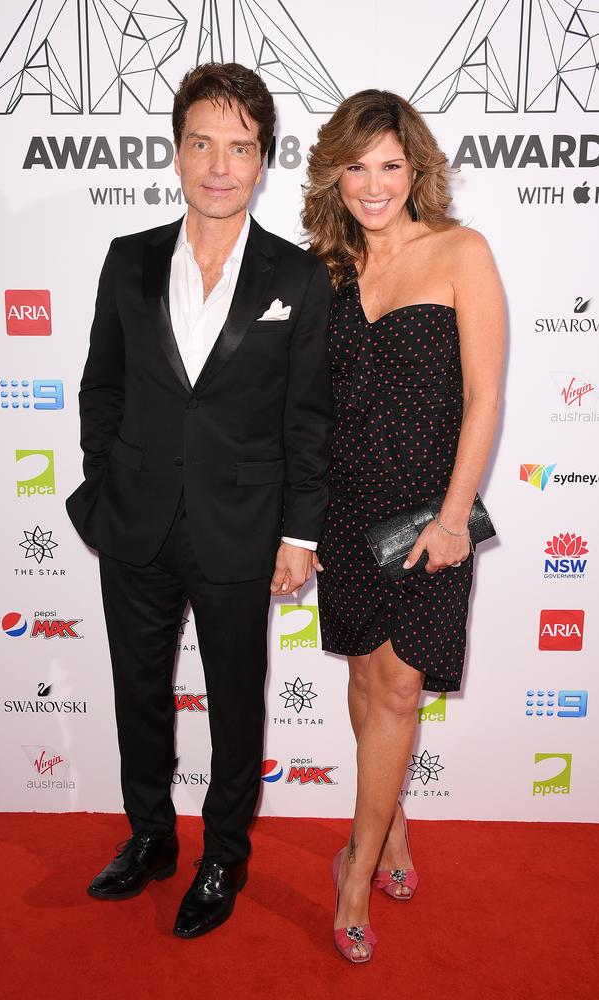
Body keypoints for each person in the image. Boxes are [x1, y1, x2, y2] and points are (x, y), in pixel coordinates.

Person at [66, 62, 333, 939]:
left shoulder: (300, 278)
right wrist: (103, 487)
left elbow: (307, 419)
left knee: (235, 698)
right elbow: (100, 386)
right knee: (136, 689)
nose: (220, 165)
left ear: (264, 159)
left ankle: (223, 853)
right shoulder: (128, 259)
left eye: (240, 148)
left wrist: (299, 534)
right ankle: (149, 834)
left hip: (241, 527)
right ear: (176, 152)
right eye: (202, 144)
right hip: (134, 519)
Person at [302, 89, 505, 963]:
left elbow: (487, 396)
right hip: (347, 509)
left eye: (390, 164)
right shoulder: (328, 271)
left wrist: (456, 517)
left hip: (432, 514)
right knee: (362, 680)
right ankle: (391, 833)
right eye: (357, 166)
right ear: (335, 175)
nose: (374, 184)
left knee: (397, 688)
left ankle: (355, 872)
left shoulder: (462, 251)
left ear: (416, 168)